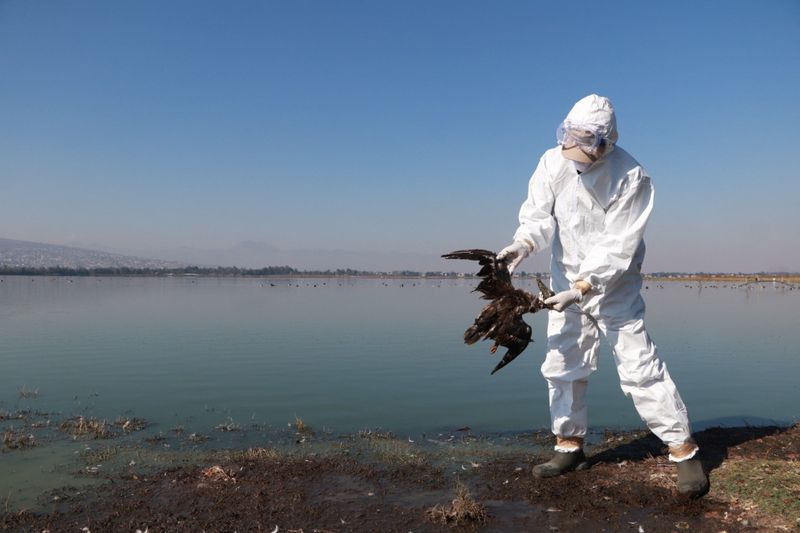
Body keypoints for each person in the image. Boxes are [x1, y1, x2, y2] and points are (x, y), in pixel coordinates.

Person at [497, 94, 709, 498]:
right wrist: (521, 245)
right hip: (564, 282)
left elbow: (618, 244)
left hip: (614, 287)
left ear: (604, 144)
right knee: (562, 364)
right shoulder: (551, 162)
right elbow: (538, 216)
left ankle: (684, 452)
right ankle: (568, 446)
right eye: (568, 137)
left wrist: (584, 287)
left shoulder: (632, 176)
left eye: (582, 142)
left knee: (640, 367)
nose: (572, 148)